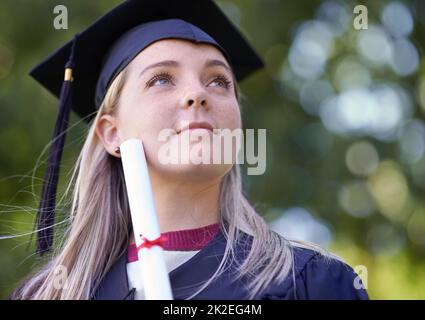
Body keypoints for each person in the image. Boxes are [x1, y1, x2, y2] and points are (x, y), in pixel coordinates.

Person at [10, 0, 368, 300]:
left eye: (219, 81)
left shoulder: (309, 283)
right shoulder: (54, 295)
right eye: (161, 79)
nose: (198, 94)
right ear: (111, 133)